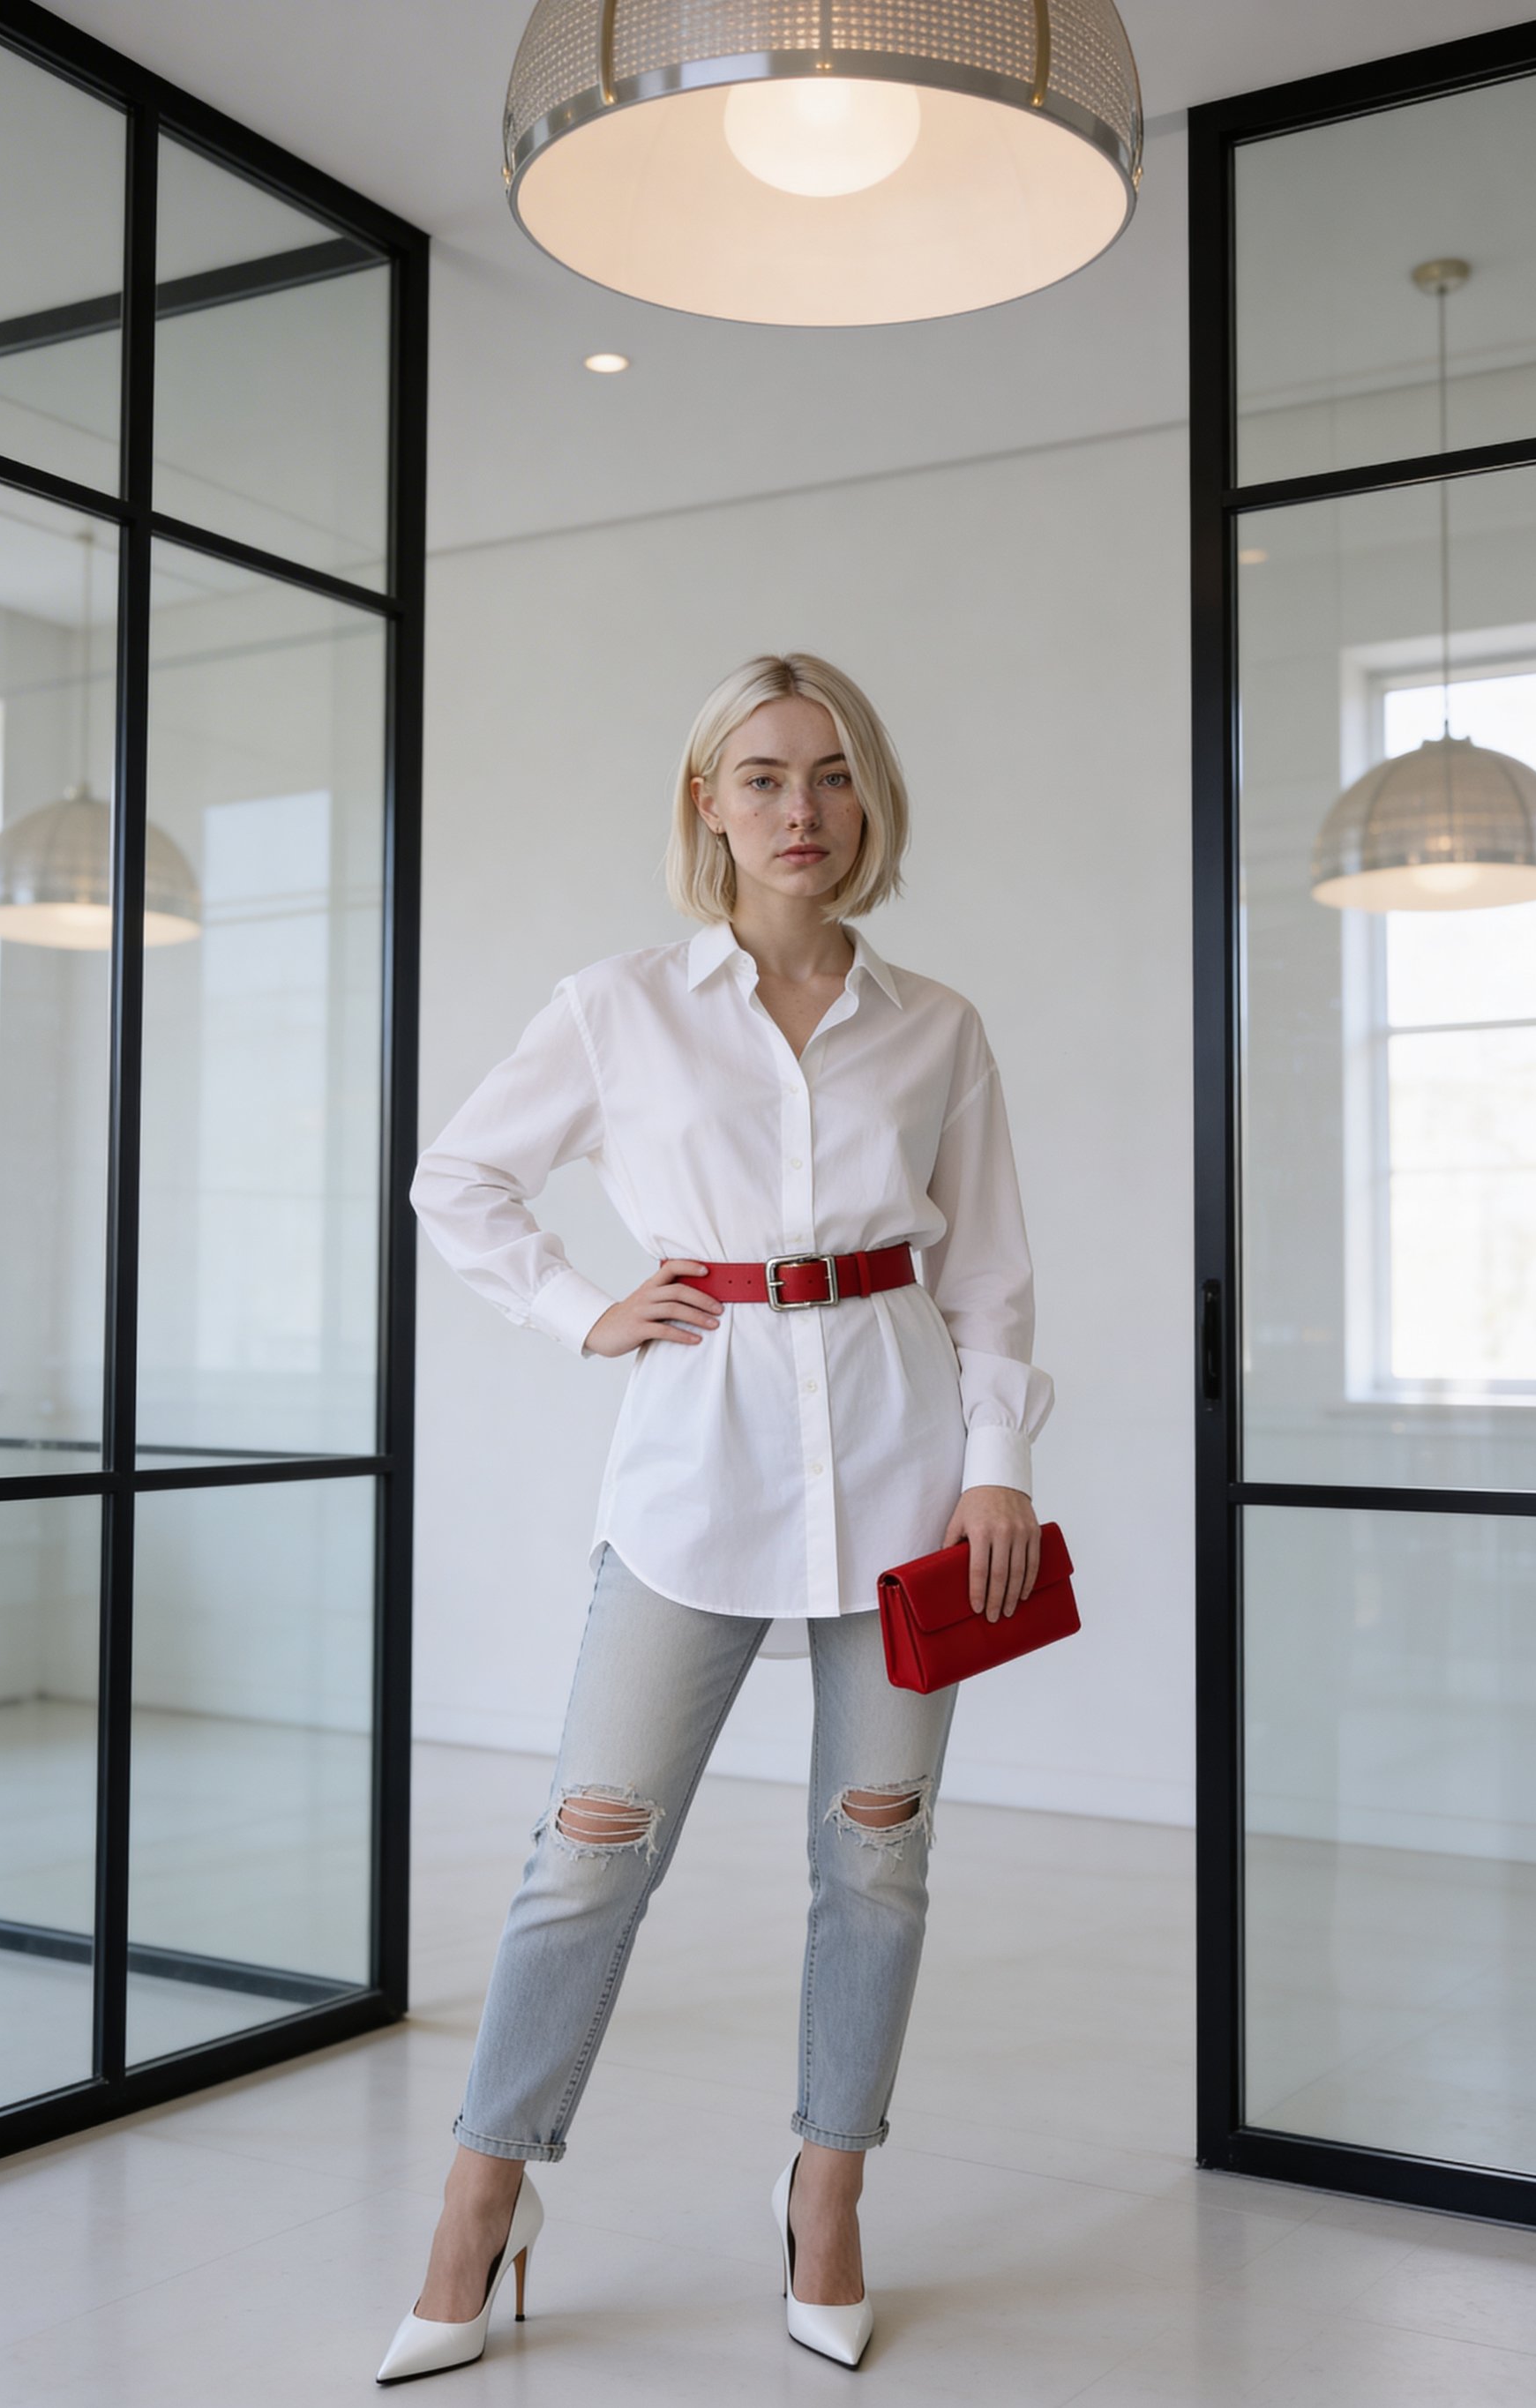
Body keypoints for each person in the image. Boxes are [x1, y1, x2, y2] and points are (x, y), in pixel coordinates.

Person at [378, 653, 1053, 2381]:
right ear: (707, 804)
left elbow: (985, 1274)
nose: (798, 811)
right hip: (696, 1472)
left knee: (876, 1856)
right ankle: (484, 2197)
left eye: (830, 776)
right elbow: (459, 1180)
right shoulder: (618, 1007)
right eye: (760, 778)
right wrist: (576, 1306)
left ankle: (826, 2195)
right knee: (587, 1854)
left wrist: (998, 1462)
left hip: (911, 1478)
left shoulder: (938, 1025)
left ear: (868, 798)